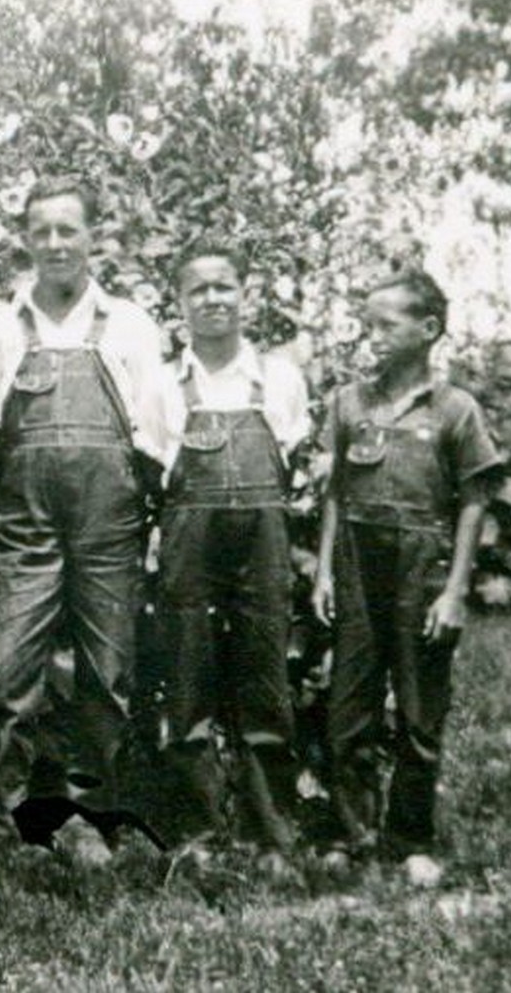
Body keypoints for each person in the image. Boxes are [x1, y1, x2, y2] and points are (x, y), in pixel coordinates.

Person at [0, 176, 165, 880]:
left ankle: (89, 819)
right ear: (25, 239)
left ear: (92, 236)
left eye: (67, 229)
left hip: (109, 522)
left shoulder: (128, 325)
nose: (54, 243)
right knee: (9, 668)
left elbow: (150, 440)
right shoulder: (2, 326)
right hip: (27, 522)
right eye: (40, 231)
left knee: (106, 674)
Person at [312, 270, 502, 879]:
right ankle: (352, 833)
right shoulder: (349, 403)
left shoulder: (456, 410)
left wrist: (455, 592)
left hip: (423, 570)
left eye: (386, 325)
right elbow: (336, 493)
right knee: (349, 707)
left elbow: (474, 501)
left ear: (428, 329)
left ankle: (410, 839)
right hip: (357, 566)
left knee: (420, 711)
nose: (373, 336)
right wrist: (324, 572)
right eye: (367, 325)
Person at [150, 246, 308, 864]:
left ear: (246, 294)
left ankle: (270, 830)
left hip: (262, 542)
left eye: (224, 287)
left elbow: (291, 461)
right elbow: (153, 474)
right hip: (190, 541)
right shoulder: (163, 384)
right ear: (180, 303)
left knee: (264, 673)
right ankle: (198, 829)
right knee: (188, 674)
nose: (213, 299)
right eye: (198, 290)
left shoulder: (279, 380)